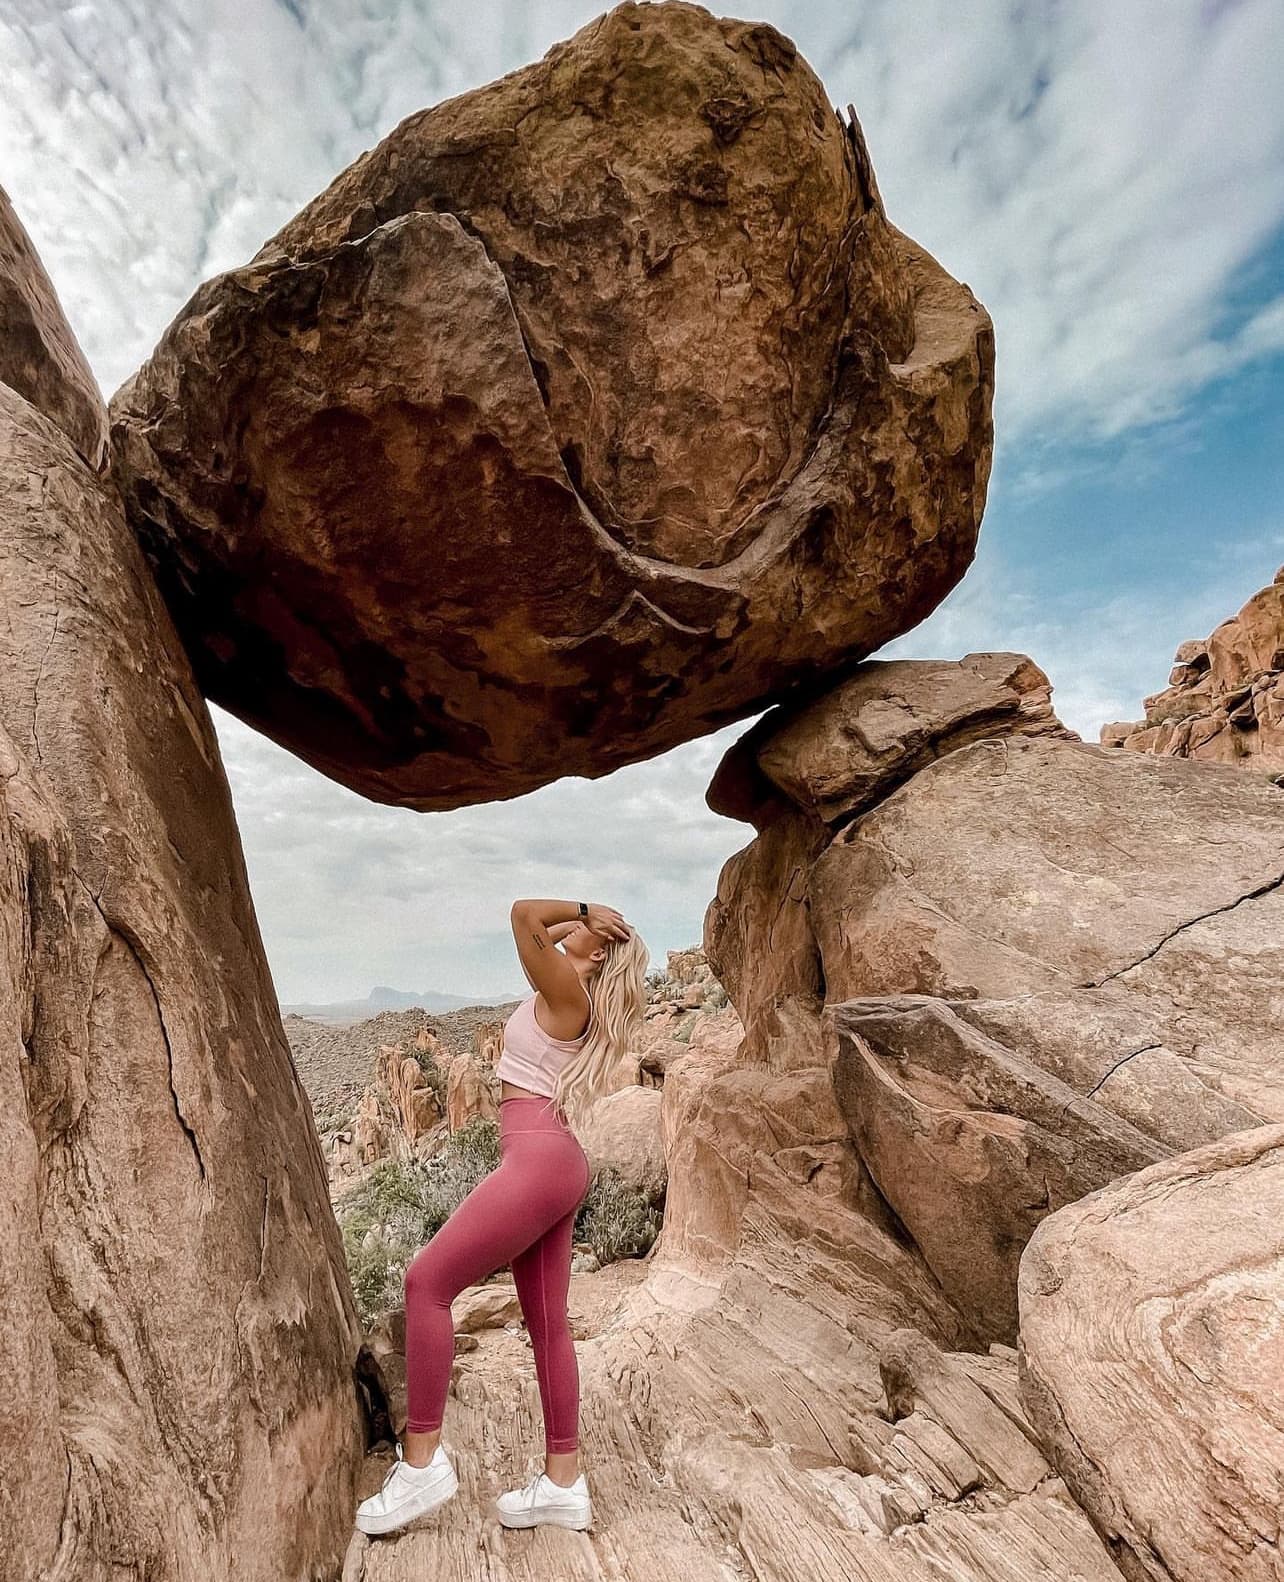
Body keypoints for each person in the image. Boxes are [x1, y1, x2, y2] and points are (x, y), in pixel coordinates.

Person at [355, 896, 649, 1537]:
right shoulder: (570, 991)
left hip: (537, 1161)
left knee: (425, 1285)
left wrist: (584, 908)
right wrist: (587, 929)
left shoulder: (569, 988)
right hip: (554, 1159)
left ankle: (423, 1464)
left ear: (596, 954)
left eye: (588, 938)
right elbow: (543, 934)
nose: (574, 934)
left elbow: (522, 915)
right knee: (548, 1327)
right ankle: (563, 1486)